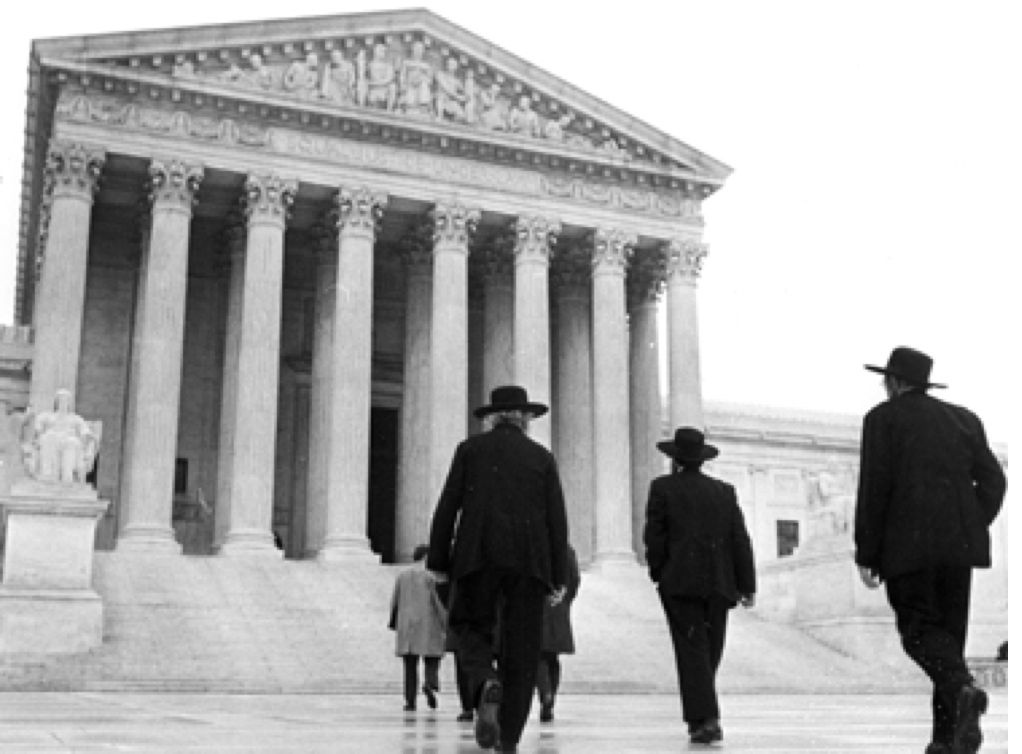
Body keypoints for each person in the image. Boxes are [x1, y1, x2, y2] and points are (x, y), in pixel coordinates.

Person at [855, 347, 1006, 754]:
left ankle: (963, 689)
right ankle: (945, 739)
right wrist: (970, 522)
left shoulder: (882, 419)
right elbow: (994, 481)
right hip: (958, 550)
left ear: (894, 381)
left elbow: (874, 488)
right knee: (948, 642)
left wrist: (867, 551)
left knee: (918, 632)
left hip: (907, 549)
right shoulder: (965, 419)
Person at [427, 385, 570, 753]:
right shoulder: (542, 457)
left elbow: (448, 507)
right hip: (530, 564)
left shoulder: (470, 450)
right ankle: (508, 739)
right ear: (525, 418)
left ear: (492, 417)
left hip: (477, 557)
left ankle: (484, 682)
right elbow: (557, 522)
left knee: (469, 627)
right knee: (523, 648)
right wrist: (559, 576)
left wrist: (439, 561)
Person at [643, 427, 756, 746]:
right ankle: (702, 716)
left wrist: (658, 572)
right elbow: (740, 539)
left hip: (679, 582)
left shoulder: (662, 487)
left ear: (675, 459)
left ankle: (706, 720)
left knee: (692, 650)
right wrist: (747, 584)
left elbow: (654, 537)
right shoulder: (724, 491)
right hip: (720, 582)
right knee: (710, 649)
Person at [389, 544, 448, 712]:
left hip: (407, 625)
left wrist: (394, 622)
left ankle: (410, 701)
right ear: (426, 557)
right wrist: (445, 623)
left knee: (409, 665)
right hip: (428, 623)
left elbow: (395, 601)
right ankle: (430, 683)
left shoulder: (402, 576)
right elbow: (438, 602)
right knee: (433, 657)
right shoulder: (432, 577)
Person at [536, 543, 580, 723]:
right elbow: (574, 578)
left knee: (538, 656)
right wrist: (566, 599)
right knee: (552, 658)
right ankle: (550, 696)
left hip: (537, 605)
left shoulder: (535, 545)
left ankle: (545, 693)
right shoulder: (566, 549)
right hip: (558, 605)